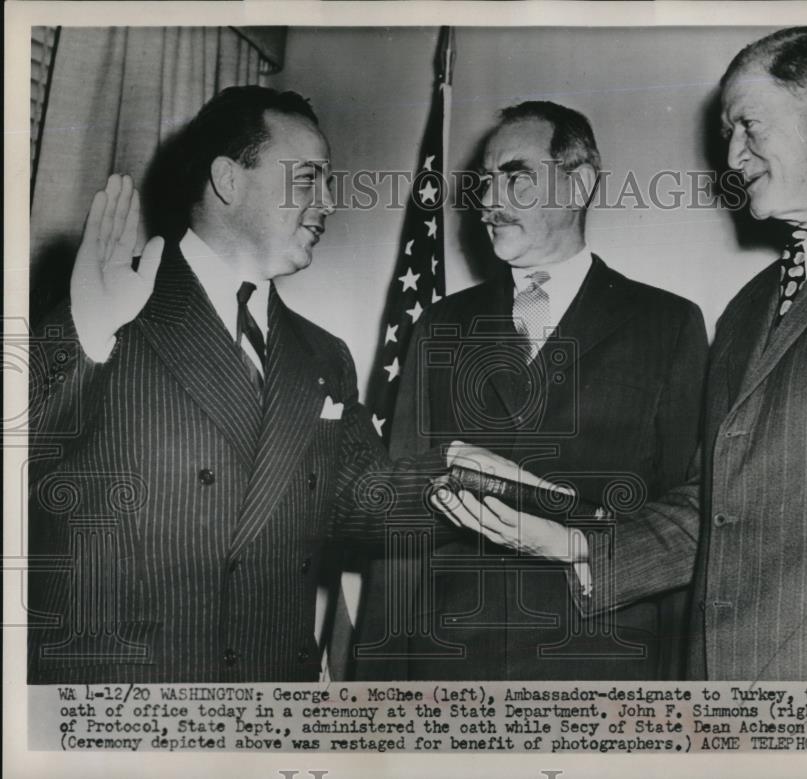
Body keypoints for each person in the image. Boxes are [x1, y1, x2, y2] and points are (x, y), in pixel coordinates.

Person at [438, 27, 807, 681]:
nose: (731, 156)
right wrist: (568, 542)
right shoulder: (743, 310)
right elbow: (710, 508)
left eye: (747, 126)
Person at [27, 86, 549, 683]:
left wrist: (457, 472)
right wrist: (84, 330)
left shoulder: (324, 355)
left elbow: (363, 500)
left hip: (270, 701)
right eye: (309, 179)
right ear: (228, 180)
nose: (328, 200)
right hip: (128, 706)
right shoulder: (107, 304)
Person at [355, 101, 708, 680]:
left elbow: (683, 518)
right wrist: (376, 686)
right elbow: (403, 516)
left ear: (580, 183)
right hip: (451, 661)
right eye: (485, 182)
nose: (490, 202)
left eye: (515, 177)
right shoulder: (441, 325)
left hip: (602, 661)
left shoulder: (666, 324)